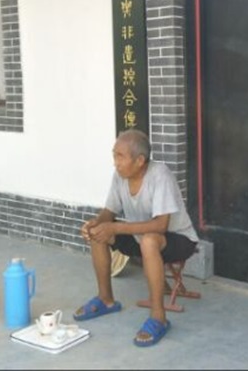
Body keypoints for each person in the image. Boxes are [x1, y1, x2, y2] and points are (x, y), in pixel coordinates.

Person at [76, 129, 199, 347]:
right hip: (139, 237)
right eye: (114, 155)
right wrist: (96, 224)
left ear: (140, 160)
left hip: (178, 239)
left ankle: (158, 318)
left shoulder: (160, 175)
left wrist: (115, 228)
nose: (115, 162)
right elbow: (109, 211)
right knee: (99, 233)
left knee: (150, 240)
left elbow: (161, 225)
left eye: (120, 156)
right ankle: (106, 299)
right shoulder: (120, 176)